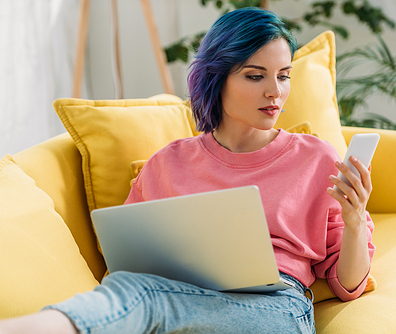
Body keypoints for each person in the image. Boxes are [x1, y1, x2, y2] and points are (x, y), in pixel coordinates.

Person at [0, 7, 375, 334]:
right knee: (137, 291)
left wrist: (355, 220)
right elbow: (126, 265)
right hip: (178, 302)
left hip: (276, 309)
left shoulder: (318, 159)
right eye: (255, 75)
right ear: (218, 78)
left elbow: (349, 283)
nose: (275, 92)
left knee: (141, 298)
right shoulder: (168, 164)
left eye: (283, 75)